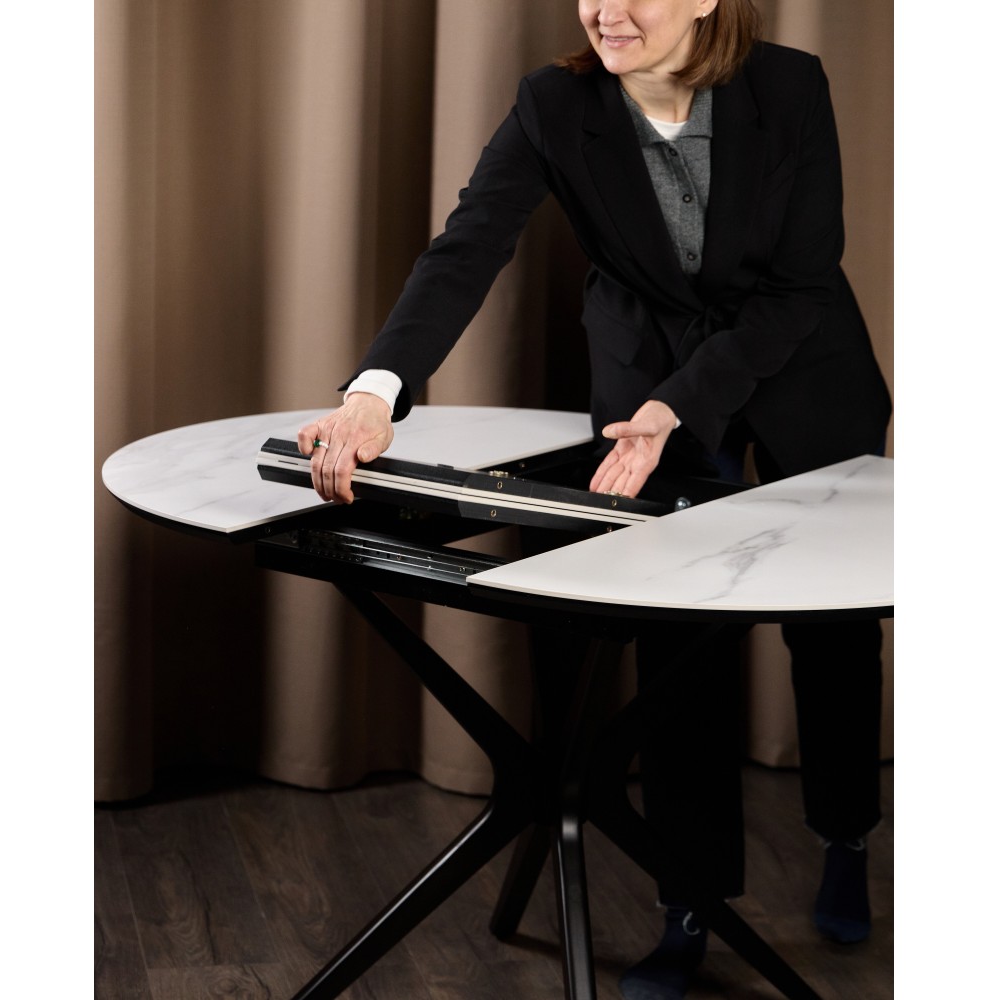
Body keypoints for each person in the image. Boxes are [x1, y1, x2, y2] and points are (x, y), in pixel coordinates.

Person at [298, 1, 892, 996]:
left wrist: (680, 401)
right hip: (643, 377)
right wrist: (374, 392)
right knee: (677, 635)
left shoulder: (790, 85)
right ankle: (688, 901)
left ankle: (845, 835)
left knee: (831, 629)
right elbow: (466, 248)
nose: (606, 11)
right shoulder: (553, 103)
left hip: (800, 370)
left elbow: (798, 287)